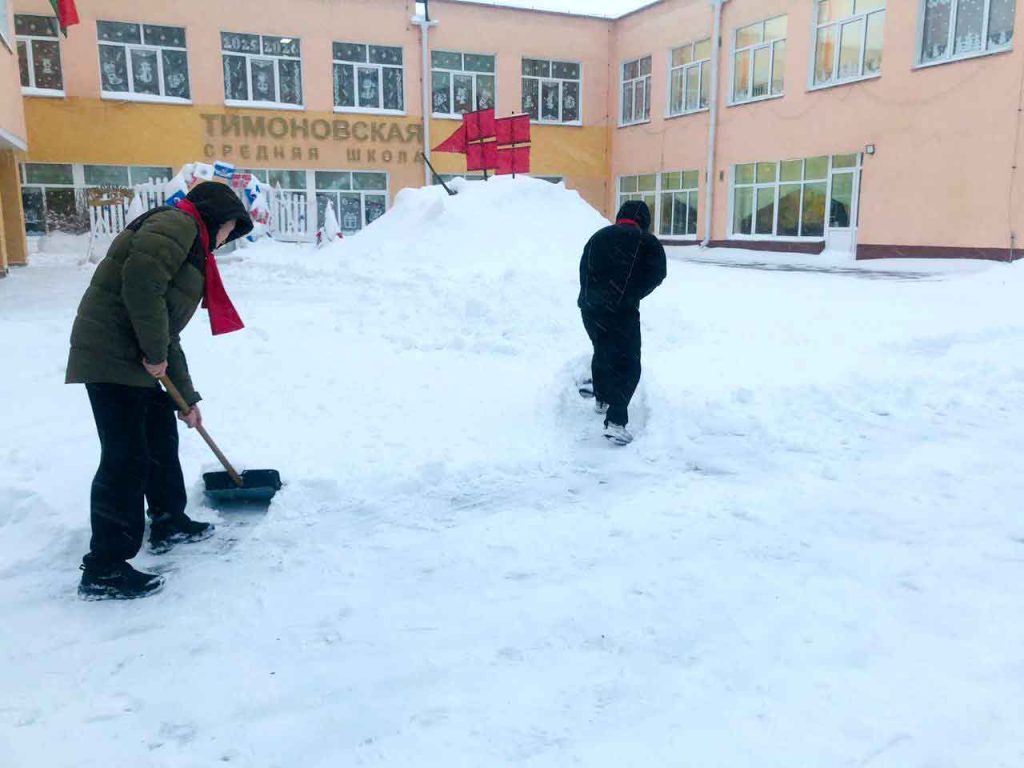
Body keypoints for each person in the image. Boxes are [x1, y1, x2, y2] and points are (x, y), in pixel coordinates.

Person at [67, 181, 253, 599]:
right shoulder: (177, 226)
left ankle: (169, 521)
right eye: (230, 230)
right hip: (114, 355)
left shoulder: (187, 238)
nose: (226, 241)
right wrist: (152, 351)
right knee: (125, 457)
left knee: (159, 441)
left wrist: (185, 399)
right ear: (218, 219)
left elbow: (166, 329)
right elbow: (140, 286)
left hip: (136, 353)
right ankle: (105, 568)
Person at [577, 200, 666, 445]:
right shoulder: (646, 241)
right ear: (644, 220)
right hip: (621, 311)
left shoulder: (598, 237)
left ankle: (602, 398)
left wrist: (592, 298)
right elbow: (658, 274)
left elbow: (584, 270)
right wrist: (632, 293)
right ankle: (616, 421)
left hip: (590, 310)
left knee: (603, 351)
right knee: (628, 364)